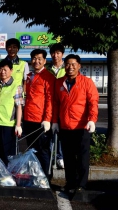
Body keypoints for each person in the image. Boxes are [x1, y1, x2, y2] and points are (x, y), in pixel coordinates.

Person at [52, 54, 99, 193]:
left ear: (79, 66)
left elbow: (93, 102)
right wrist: (55, 121)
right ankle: (70, 183)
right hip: (65, 126)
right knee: (68, 157)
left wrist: (92, 119)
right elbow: (55, 103)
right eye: (67, 64)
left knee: (83, 157)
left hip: (82, 126)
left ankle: (82, 185)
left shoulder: (86, 82)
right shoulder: (60, 82)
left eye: (73, 64)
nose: (70, 67)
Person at [23, 49, 55, 180]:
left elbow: (50, 99)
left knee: (43, 150)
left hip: (41, 120)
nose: (36, 61)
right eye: (34, 58)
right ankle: (35, 176)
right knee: (31, 150)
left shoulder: (48, 77)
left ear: (44, 61)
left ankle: (46, 178)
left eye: (39, 59)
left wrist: (47, 119)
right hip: (28, 118)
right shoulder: (29, 76)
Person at [0, 59, 24, 165]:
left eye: (5, 69)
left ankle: (8, 178)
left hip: (8, 125)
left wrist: (18, 125)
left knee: (7, 154)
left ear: (11, 71)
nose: (2, 72)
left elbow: (19, 107)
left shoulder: (16, 86)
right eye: (1, 69)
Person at [47, 43, 66, 169]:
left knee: (61, 133)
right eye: (53, 53)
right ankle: (49, 156)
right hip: (49, 104)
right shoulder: (48, 69)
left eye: (58, 53)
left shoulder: (67, 68)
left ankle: (60, 157)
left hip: (63, 104)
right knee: (48, 132)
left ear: (62, 54)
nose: (55, 55)